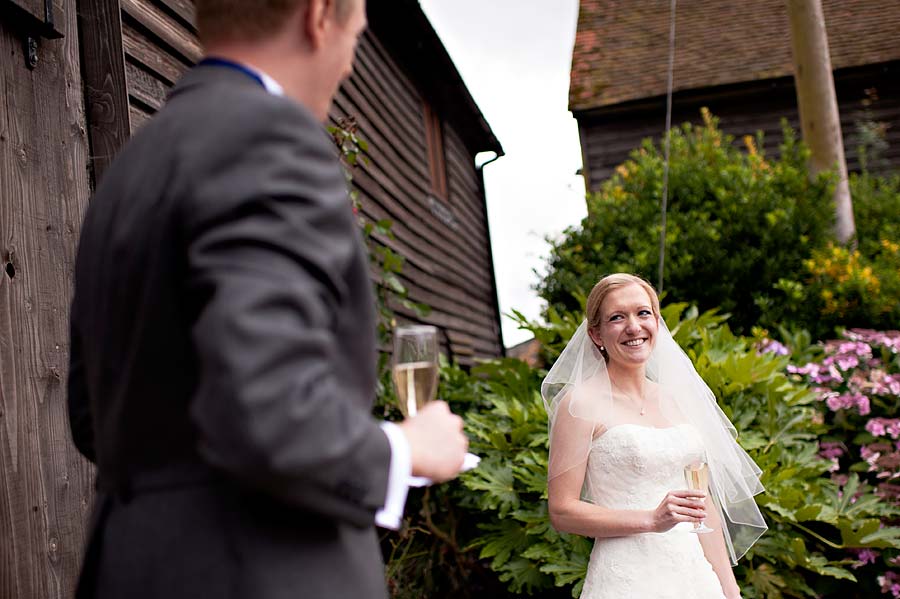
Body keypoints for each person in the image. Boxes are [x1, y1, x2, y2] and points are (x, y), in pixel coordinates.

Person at [66, 1, 468, 597]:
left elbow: (91, 419)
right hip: (261, 572)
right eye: (356, 36)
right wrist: (403, 450)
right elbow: (270, 409)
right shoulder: (269, 136)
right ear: (320, 15)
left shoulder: (132, 166)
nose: (349, 64)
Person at [543, 273, 766, 599]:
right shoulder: (580, 404)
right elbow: (562, 511)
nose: (634, 326)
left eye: (643, 313)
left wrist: (730, 591)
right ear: (596, 334)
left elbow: (703, 508)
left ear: (657, 322)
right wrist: (651, 519)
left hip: (694, 577)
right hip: (627, 578)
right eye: (617, 318)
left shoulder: (677, 399)